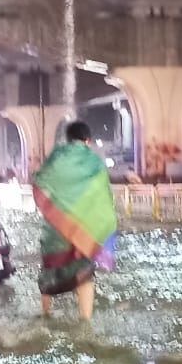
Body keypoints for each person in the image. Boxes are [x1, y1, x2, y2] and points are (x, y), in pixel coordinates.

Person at [33, 121, 118, 321]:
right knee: (84, 274)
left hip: (56, 229)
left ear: (68, 139)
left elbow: (39, 181)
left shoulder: (56, 156)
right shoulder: (94, 161)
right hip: (83, 229)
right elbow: (102, 196)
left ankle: (45, 318)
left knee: (49, 272)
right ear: (87, 140)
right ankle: (85, 322)